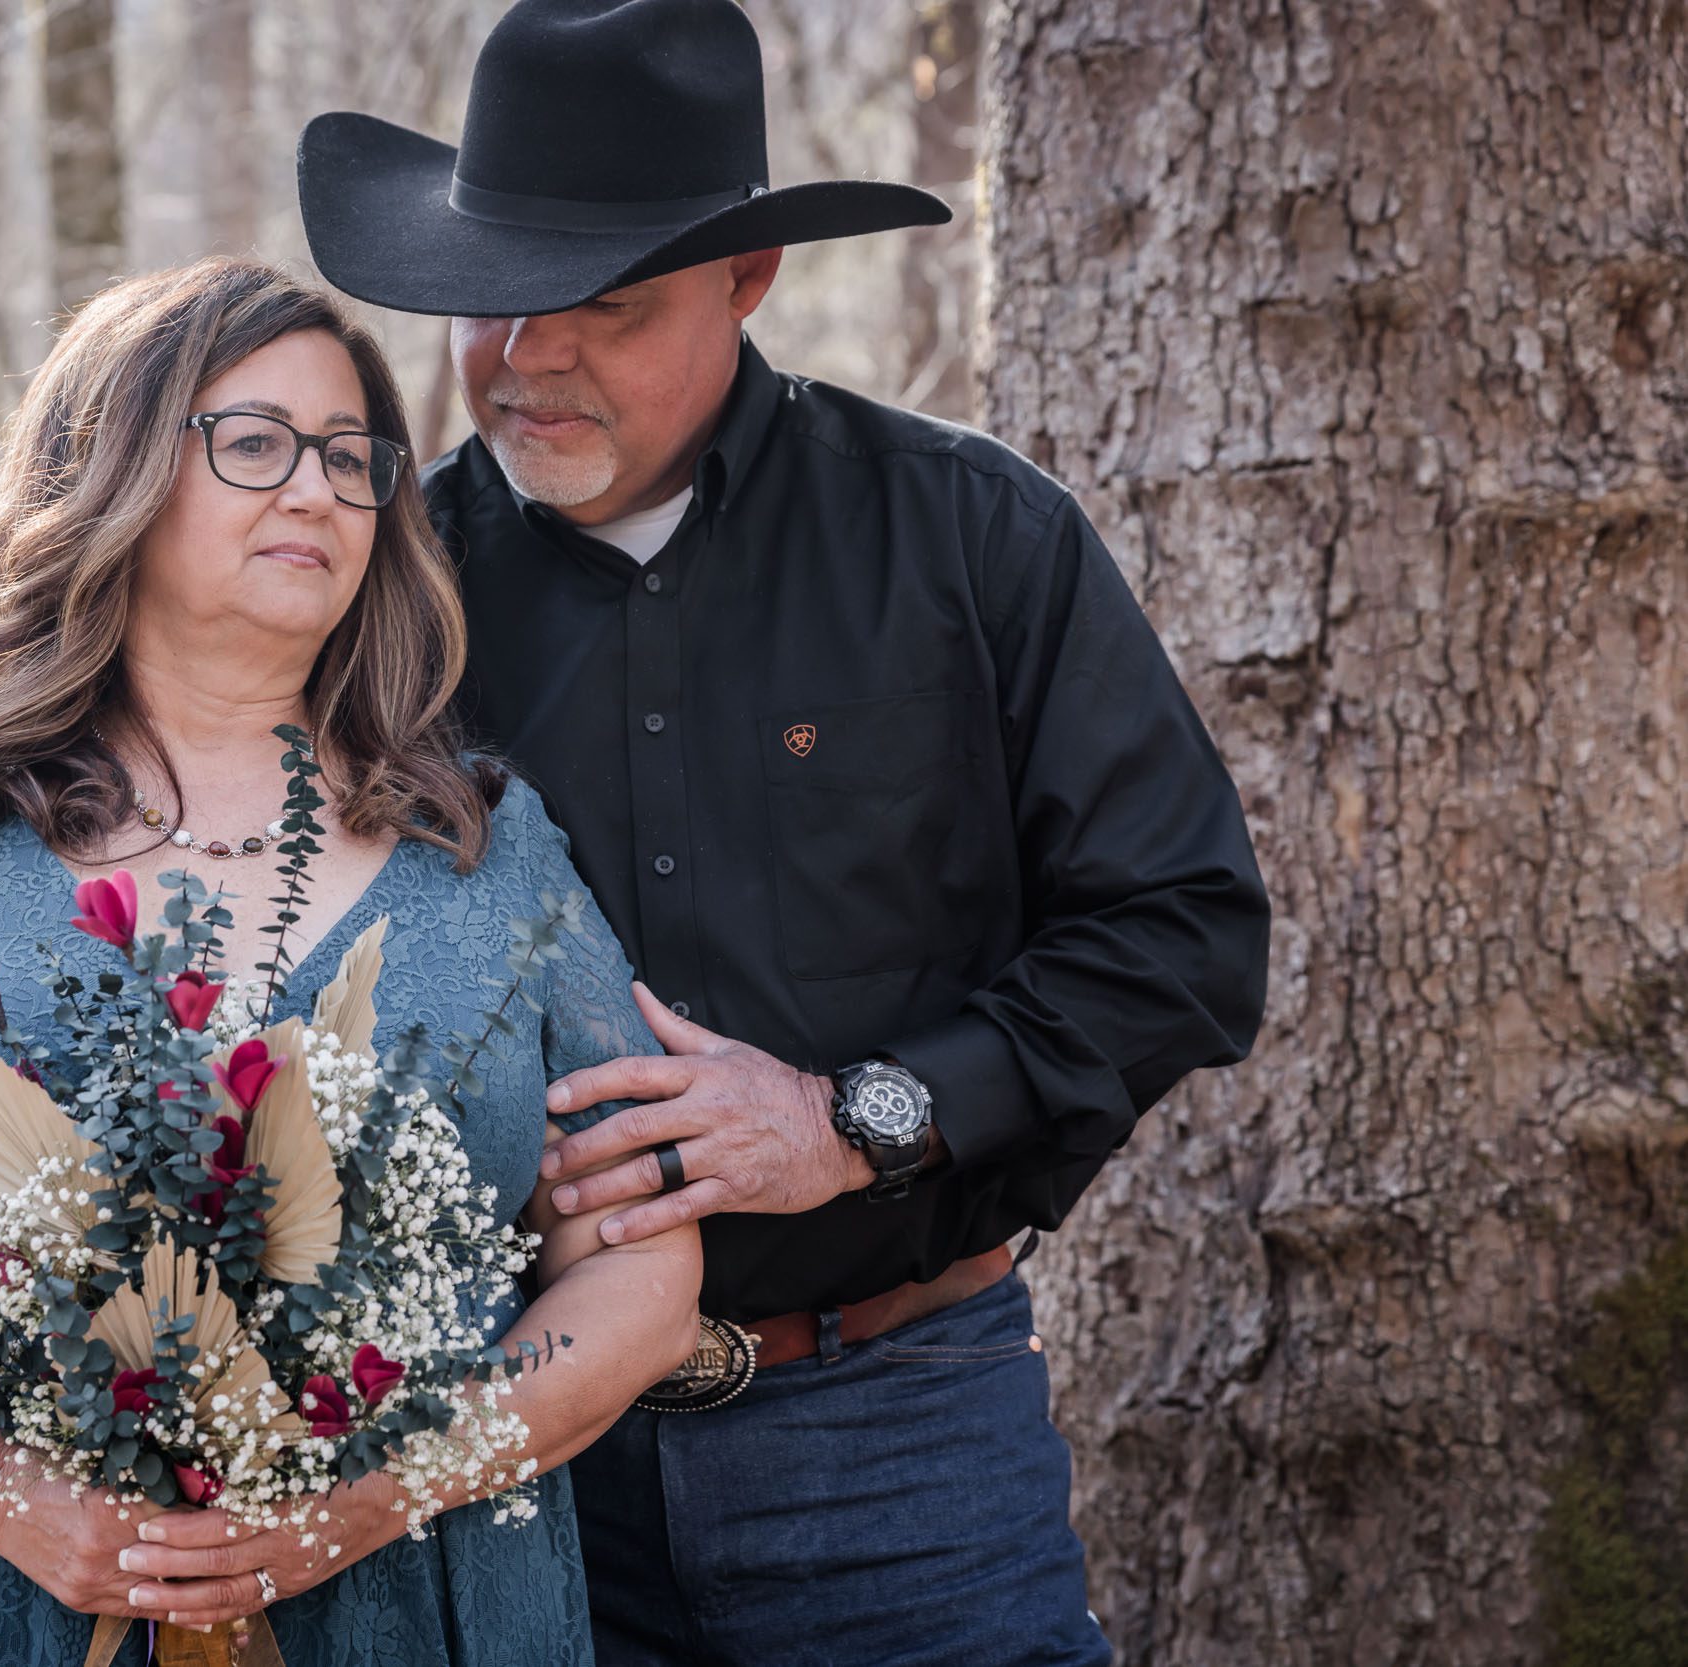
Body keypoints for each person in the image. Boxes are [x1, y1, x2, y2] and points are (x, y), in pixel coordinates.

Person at [289, 1, 1276, 1663]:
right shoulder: (377, 596)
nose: (525, 356)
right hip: (505, 1456)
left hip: (898, 1433)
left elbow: (1183, 934)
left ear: (747, 284)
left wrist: (854, 1118)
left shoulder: (972, 537)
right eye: (491, 298)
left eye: (601, 303)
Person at [0, 257, 701, 1667]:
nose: (318, 490)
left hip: (408, 1613)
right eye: (254, 442)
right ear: (115, 472)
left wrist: (368, 1504)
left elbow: (641, 1281)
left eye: (350, 457)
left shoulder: (487, 852)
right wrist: (5, 1496)